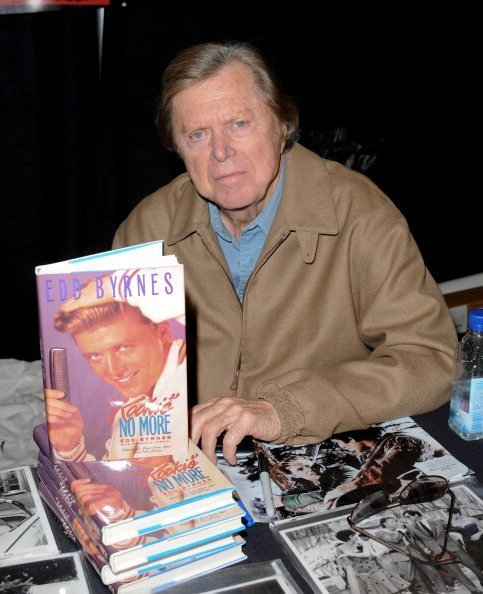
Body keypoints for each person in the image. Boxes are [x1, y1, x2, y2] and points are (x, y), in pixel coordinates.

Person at [112, 41, 457, 465]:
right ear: (178, 148)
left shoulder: (359, 215)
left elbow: (430, 361)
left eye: (239, 123)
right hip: (192, 465)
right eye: (198, 134)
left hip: (316, 452)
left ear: (281, 125)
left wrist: (284, 410)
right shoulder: (147, 230)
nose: (220, 152)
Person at [45, 280, 186, 461]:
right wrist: (70, 447)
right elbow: (116, 481)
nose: (113, 370)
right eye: (95, 356)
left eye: (124, 347)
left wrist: (115, 286)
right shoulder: (127, 411)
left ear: (163, 332)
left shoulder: (191, 374)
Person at [323, 426, 444, 507]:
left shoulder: (400, 440)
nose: (343, 447)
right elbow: (365, 474)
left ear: (351, 438)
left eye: (341, 443)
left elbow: (382, 472)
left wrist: (339, 491)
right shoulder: (379, 448)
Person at [402, 508, 481, 592]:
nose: (407, 519)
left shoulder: (436, 520)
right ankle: (474, 590)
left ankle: (482, 578)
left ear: (416, 515)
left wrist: (466, 527)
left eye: (408, 517)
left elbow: (452, 528)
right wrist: (424, 548)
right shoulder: (411, 528)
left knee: (471, 564)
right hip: (437, 552)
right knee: (456, 572)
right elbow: (417, 540)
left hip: (452, 546)